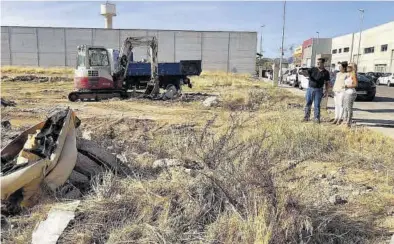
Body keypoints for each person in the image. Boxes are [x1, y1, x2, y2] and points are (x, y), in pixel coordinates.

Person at [302, 58, 330, 123]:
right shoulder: (313, 69)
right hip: (310, 89)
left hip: (319, 90)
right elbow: (306, 73)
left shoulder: (326, 72)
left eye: (319, 62)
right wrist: (303, 72)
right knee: (308, 103)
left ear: (323, 63)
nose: (317, 63)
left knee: (317, 105)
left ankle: (316, 118)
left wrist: (326, 91)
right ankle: (306, 117)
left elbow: (327, 82)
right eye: (317, 62)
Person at [342, 63, 358, 127]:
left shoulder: (353, 75)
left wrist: (346, 86)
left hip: (351, 93)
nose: (347, 67)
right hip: (346, 92)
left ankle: (348, 122)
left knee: (349, 108)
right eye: (348, 66)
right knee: (345, 107)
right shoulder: (349, 74)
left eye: (349, 66)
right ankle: (345, 121)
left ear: (353, 67)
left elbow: (356, 85)